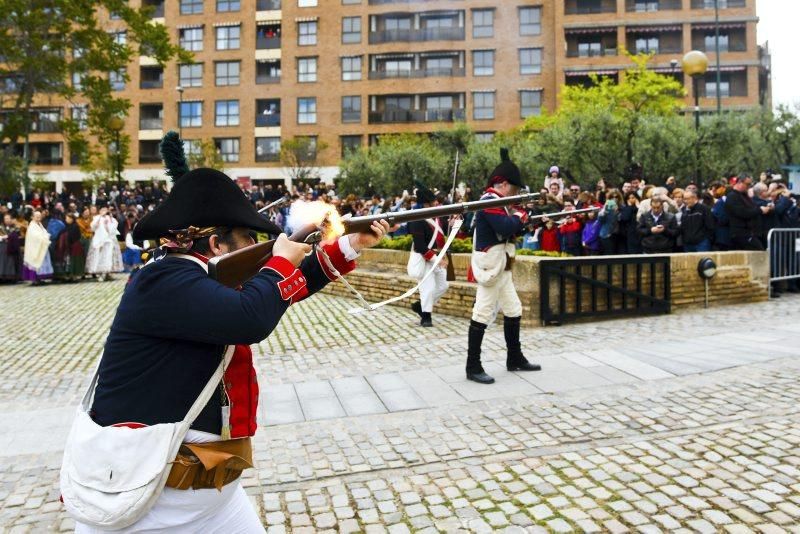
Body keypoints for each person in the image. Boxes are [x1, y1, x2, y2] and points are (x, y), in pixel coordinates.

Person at [67, 158, 390, 531]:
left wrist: (349, 243)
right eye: (249, 239)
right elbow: (250, 316)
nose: (257, 247)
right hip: (146, 501)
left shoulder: (197, 278)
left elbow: (273, 294)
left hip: (210, 493)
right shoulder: (163, 279)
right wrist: (281, 260)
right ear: (217, 242)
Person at [467, 148, 541, 385]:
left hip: (503, 263)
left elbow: (512, 229)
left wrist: (524, 221)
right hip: (492, 265)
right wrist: (520, 217)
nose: (517, 192)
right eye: (515, 188)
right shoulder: (488, 201)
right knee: (482, 312)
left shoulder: (501, 202)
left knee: (513, 309)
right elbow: (505, 226)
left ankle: (514, 357)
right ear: (504, 184)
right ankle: (473, 365)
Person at [407, 183, 449, 327]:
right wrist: (437, 259)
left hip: (436, 256)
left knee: (443, 285)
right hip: (424, 257)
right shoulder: (416, 218)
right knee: (428, 287)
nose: (436, 203)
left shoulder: (436, 216)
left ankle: (420, 306)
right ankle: (426, 317)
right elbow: (420, 245)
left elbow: (440, 237)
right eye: (433, 201)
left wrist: (443, 255)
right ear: (426, 203)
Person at [725, 174, 769, 250]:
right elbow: (743, 212)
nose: (749, 187)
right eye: (747, 184)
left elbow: (751, 208)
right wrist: (760, 210)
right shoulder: (732, 196)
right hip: (741, 234)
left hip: (751, 233)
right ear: (739, 182)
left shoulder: (745, 196)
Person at [85, 206, 124, 281]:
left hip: (108, 241)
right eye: (102, 210)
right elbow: (93, 227)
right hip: (99, 240)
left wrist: (107, 224)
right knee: (99, 257)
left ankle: (107, 273)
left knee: (107, 257)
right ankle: (100, 274)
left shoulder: (111, 219)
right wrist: (99, 219)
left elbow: (113, 229)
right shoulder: (96, 218)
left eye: (105, 210)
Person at [22, 210, 53, 285]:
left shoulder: (39, 224)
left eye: (39, 217)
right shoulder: (32, 226)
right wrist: (44, 237)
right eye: (37, 217)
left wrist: (46, 235)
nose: (39, 218)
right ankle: (35, 279)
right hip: (34, 248)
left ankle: (40, 278)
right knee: (35, 263)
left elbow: (44, 232)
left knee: (42, 263)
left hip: (42, 247)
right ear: (33, 217)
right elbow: (35, 236)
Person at [0, 212, 21, 282]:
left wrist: (9, 237)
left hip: (13, 247)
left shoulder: (16, 227)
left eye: (8, 218)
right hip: (2, 246)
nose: (6, 220)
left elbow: (18, 235)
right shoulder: (1, 227)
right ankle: (2, 276)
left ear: (11, 219)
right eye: (5, 219)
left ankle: (12, 277)